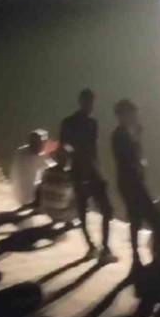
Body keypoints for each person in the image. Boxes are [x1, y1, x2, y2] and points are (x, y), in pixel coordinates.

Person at [59, 89, 117, 264]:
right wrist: (80, 158)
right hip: (84, 170)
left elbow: (69, 147)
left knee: (91, 209)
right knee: (94, 209)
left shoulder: (85, 122)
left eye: (91, 102)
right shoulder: (80, 122)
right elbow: (72, 147)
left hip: (83, 169)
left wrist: (96, 169)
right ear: (83, 102)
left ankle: (97, 247)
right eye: (89, 102)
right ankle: (99, 248)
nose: (90, 106)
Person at [111, 99, 160, 274]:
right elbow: (129, 159)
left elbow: (136, 158)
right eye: (132, 114)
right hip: (131, 183)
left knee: (136, 219)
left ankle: (137, 260)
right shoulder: (120, 135)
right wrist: (137, 141)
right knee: (158, 221)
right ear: (123, 115)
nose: (135, 117)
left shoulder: (126, 134)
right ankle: (157, 258)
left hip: (130, 182)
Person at [10, 129, 52, 209]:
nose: (43, 145)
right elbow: (50, 167)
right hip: (29, 196)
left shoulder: (20, 151)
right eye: (42, 143)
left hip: (16, 192)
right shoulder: (37, 157)